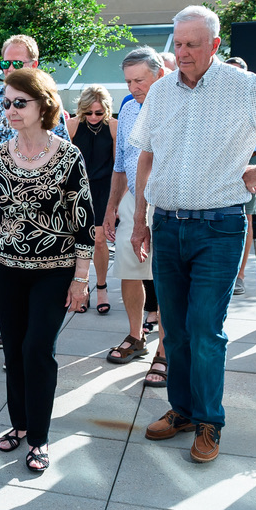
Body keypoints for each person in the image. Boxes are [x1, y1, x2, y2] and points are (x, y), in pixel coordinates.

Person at [131, 5, 256, 463]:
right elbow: (147, 157)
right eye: (177, 44)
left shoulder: (242, 86)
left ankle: (209, 421)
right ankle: (181, 410)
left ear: (214, 45)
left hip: (219, 226)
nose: (182, 53)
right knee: (175, 330)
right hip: (166, 223)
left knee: (205, 329)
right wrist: (139, 219)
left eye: (191, 44)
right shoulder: (160, 92)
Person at [0, 68, 94, 473]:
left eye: (20, 102)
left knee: (37, 350)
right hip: (5, 270)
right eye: (7, 103)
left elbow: (84, 223)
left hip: (54, 271)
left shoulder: (69, 156)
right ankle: (19, 425)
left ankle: (38, 438)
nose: (11, 110)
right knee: (15, 351)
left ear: (45, 105)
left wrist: (81, 279)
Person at [0, 34, 70, 350]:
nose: (10, 68)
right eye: (5, 63)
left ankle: (34, 336)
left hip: (40, 205)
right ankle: (10, 329)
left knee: (34, 265)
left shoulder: (48, 98)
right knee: (4, 265)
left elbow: (62, 148)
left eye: (17, 63)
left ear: (33, 64)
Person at [103, 48, 168, 386]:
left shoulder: (177, 103)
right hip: (132, 198)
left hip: (170, 202)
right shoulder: (128, 107)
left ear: (159, 74)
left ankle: (165, 351)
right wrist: (112, 207)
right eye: (128, 81)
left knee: (167, 277)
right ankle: (136, 336)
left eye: (139, 80)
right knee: (129, 271)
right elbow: (120, 163)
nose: (133, 87)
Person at [225, 57, 256, 296]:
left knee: (246, 219)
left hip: (250, 164)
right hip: (220, 164)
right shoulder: (214, 101)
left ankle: (240, 276)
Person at [67, 84, 116, 315]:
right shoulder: (73, 126)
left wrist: (115, 203)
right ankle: (81, 287)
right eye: (89, 112)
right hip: (77, 189)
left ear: (106, 110)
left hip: (103, 188)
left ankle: (102, 287)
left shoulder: (114, 127)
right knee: (77, 241)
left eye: (98, 112)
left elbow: (119, 166)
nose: (94, 117)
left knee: (98, 240)